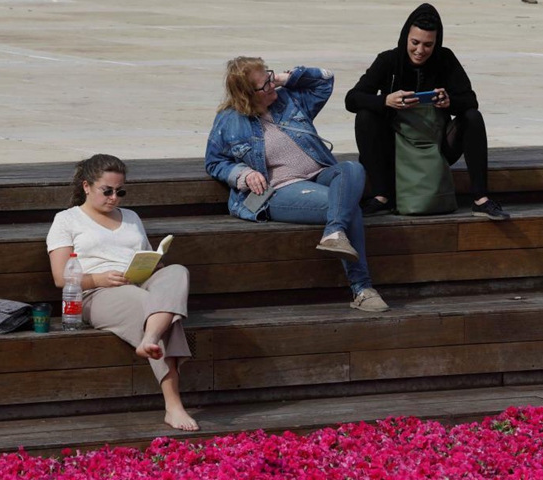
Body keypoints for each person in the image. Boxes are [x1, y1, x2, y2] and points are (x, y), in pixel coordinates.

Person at [205, 57, 389, 313]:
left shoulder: (288, 99)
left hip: (318, 173)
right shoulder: (229, 121)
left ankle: (333, 232)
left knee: (352, 168)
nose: (270, 86)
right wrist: (242, 173)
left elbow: (325, 81)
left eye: (269, 77)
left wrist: (286, 78)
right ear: (246, 94)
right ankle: (362, 288)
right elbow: (215, 162)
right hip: (279, 190)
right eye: (263, 85)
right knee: (349, 207)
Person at [46, 154, 198, 431]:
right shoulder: (66, 220)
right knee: (157, 309)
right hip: (97, 294)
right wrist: (98, 278)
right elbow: (60, 277)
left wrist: (153, 263)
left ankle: (149, 338)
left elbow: (147, 256)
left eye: (120, 191)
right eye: (107, 191)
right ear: (86, 186)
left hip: (139, 282)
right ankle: (173, 404)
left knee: (177, 272)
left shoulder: (131, 217)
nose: (114, 198)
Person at [345, 3, 510, 221]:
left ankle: (481, 199)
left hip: (435, 147)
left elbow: (471, 100)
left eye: (428, 45)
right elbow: (352, 99)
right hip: (396, 148)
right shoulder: (389, 60)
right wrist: (386, 100)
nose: (420, 51)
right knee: (365, 116)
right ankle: (381, 196)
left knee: (472, 117)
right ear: (406, 37)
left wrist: (448, 102)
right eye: (415, 43)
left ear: (436, 43)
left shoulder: (445, 59)